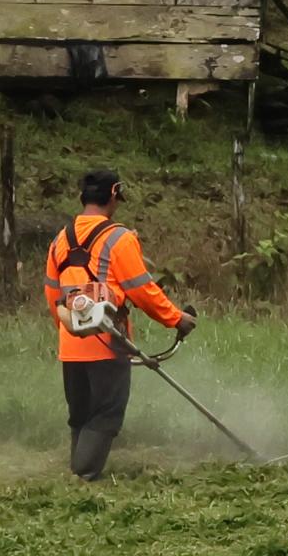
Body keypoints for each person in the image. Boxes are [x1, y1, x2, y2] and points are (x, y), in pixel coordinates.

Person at [42, 166, 189, 480]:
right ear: (112, 196)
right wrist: (177, 319)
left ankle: (79, 471)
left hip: (71, 345)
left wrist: (68, 330)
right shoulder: (118, 238)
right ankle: (83, 475)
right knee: (106, 413)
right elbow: (142, 290)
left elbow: (52, 294)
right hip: (108, 343)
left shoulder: (60, 239)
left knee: (81, 413)